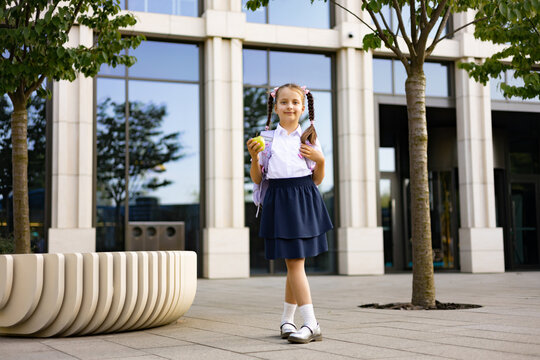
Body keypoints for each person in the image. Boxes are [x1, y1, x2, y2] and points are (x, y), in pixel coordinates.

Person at [246, 83, 333, 344]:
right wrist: (253, 158)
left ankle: (311, 323)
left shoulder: (308, 138)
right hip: (278, 200)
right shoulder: (267, 139)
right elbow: (258, 178)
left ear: (303, 107)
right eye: (284, 102)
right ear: (276, 106)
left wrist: (321, 160)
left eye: (295, 102)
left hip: (303, 198)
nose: (290, 107)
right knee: (293, 262)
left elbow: (317, 180)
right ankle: (287, 320)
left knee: (294, 262)